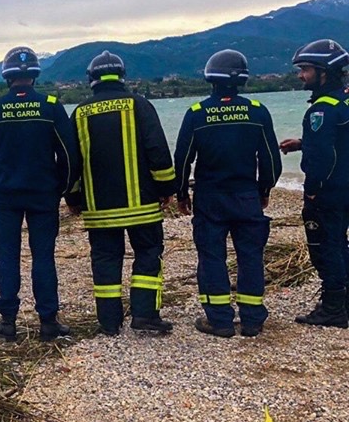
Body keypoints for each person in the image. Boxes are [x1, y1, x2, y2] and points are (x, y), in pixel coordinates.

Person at [0, 46, 80, 342]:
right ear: (34, 74)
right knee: (43, 257)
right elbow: (70, 155)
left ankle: (8, 322)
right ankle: (48, 322)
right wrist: (62, 187)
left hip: (5, 197)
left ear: (7, 76)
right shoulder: (51, 106)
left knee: (7, 256)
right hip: (43, 195)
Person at [66, 51, 176, 336]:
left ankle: (109, 322)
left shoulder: (80, 113)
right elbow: (158, 151)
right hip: (142, 206)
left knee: (105, 260)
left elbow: (71, 163)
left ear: (92, 79)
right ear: (122, 76)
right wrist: (167, 188)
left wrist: (74, 198)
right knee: (148, 254)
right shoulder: (139, 105)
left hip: (99, 210)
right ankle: (145, 314)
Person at [174, 50, 282, 338]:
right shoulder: (258, 111)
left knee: (211, 258)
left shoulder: (197, 114)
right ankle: (252, 320)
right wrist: (265, 189)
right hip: (246, 196)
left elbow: (183, 159)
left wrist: (181, 193)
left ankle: (220, 321)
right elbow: (271, 159)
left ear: (211, 78)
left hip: (210, 199)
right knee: (251, 257)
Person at [280, 39, 349, 329]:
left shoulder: (320, 110)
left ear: (324, 72)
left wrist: (311, 192)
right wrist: (302, 143)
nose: (300, 75)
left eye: (305, 69)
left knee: (326, 246)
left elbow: (321, 158)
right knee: (342, 244)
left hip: (330, 192)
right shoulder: (344, 100)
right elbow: (339, 142)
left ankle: (333, 307)